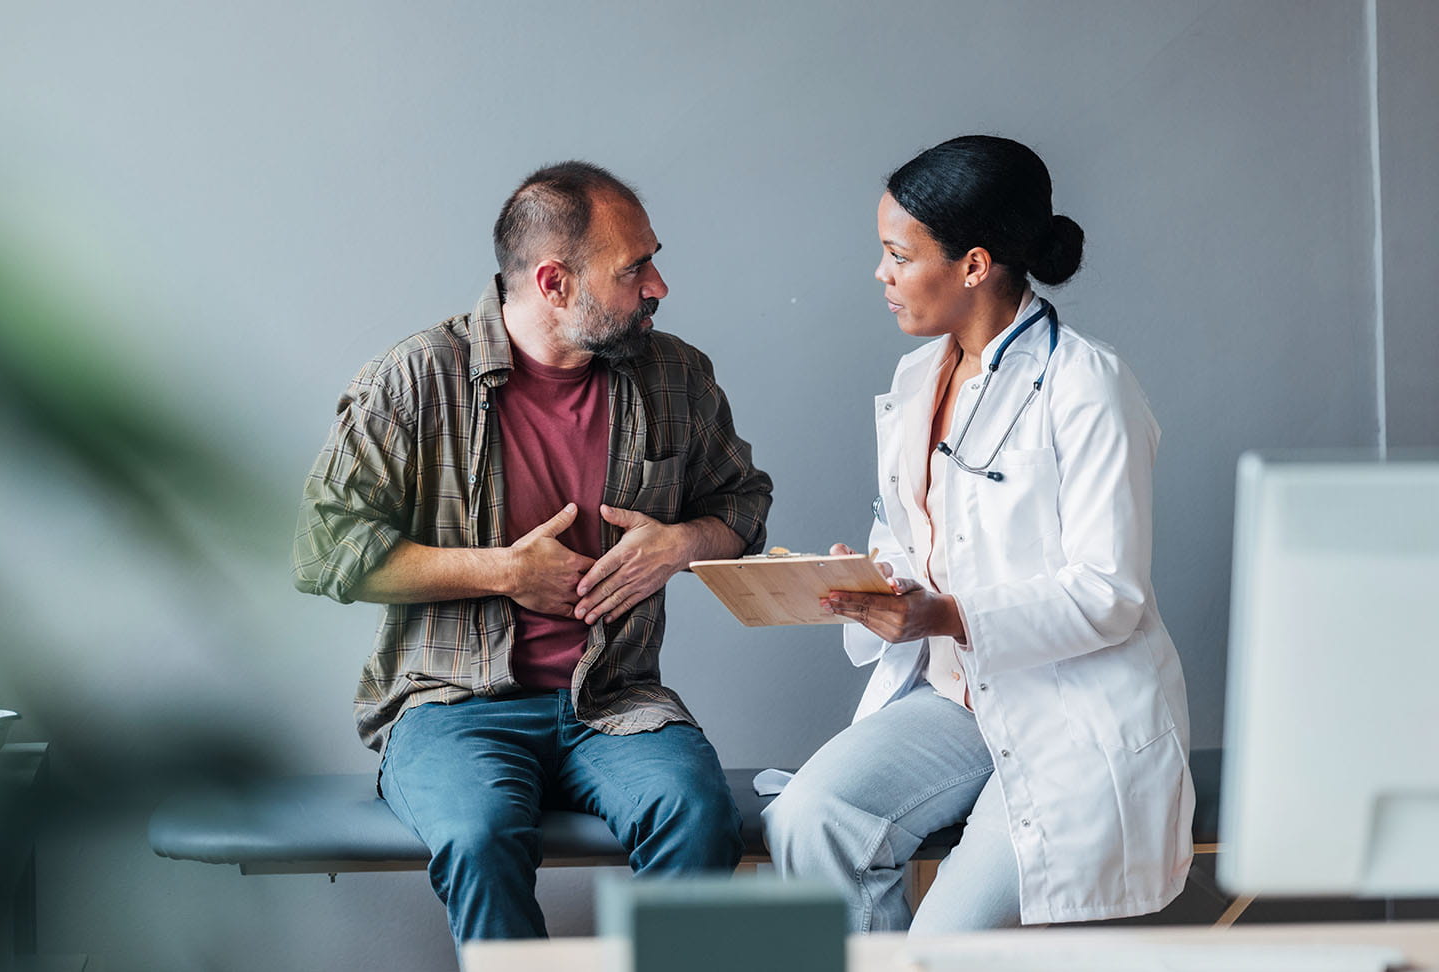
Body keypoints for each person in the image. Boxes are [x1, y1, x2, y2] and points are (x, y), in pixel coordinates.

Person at [294, 161, 773, 942]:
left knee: (700, 818)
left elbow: (743, 503)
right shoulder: (417, 379)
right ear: (554, 282)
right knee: (481, 839)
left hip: (614, 699)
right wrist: (503, 571)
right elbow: (322, 552)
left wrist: (681, 543)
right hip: (452, 704)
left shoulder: (675, 375)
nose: (660, 286)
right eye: (636, 268)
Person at [762, 136, 1192, 933]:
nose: (881, 275)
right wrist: (872, 577)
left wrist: (949, 613)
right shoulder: (915, 378)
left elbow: (1112, 593)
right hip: (955, 697)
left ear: (972, 265)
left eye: (898, 254)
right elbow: (915, 537)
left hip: (1069, 708)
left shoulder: (1087, 384)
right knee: (808, 819)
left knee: (942, 943)